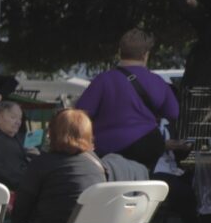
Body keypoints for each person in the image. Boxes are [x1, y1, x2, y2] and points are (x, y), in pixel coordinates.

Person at [77, 28, 179, 173]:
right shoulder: (158, 81)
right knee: (143, 185)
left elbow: (80, 114)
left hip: (108, 148)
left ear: (120, 52)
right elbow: (173, 112)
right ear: (145, 55)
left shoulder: (103, 80)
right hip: (147, 145)